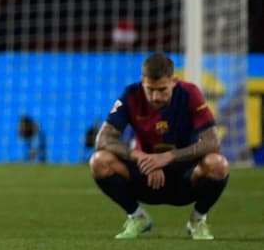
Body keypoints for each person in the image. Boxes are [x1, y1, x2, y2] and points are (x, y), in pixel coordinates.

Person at [89, 53, 229, 240]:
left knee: (218, 164)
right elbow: (103, 139)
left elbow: (213, 141)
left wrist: (168, 157)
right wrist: (141, 157)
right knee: (99, 161)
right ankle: (137, 217)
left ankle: (197, 220)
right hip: (145, 175)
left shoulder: (190, 93)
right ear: (142, 82)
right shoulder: (131, 94)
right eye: (150, 90)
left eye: (162, 89)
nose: (155, 96)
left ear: (173, 81)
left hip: (185, 177)